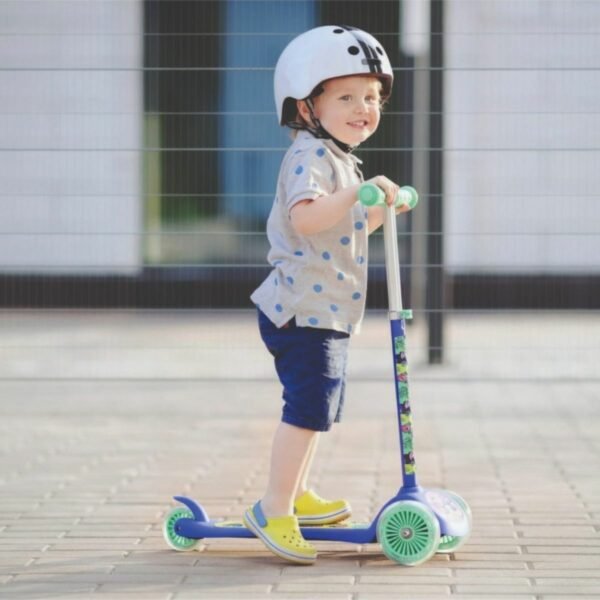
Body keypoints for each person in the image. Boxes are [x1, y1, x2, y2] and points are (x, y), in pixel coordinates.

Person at [244, 25, 410, 565]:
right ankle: (274, 508)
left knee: (321, 408)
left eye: (372, 97)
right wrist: (355, 193)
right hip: (300, 311)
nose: (364, 108)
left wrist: (385, 209)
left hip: (328, 311)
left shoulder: (340, 159)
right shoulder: (309, 157)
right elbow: (308, 219)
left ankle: (296, 493)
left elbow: (348, 227)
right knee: (307, 409)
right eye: (346, 97)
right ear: (306, 106)